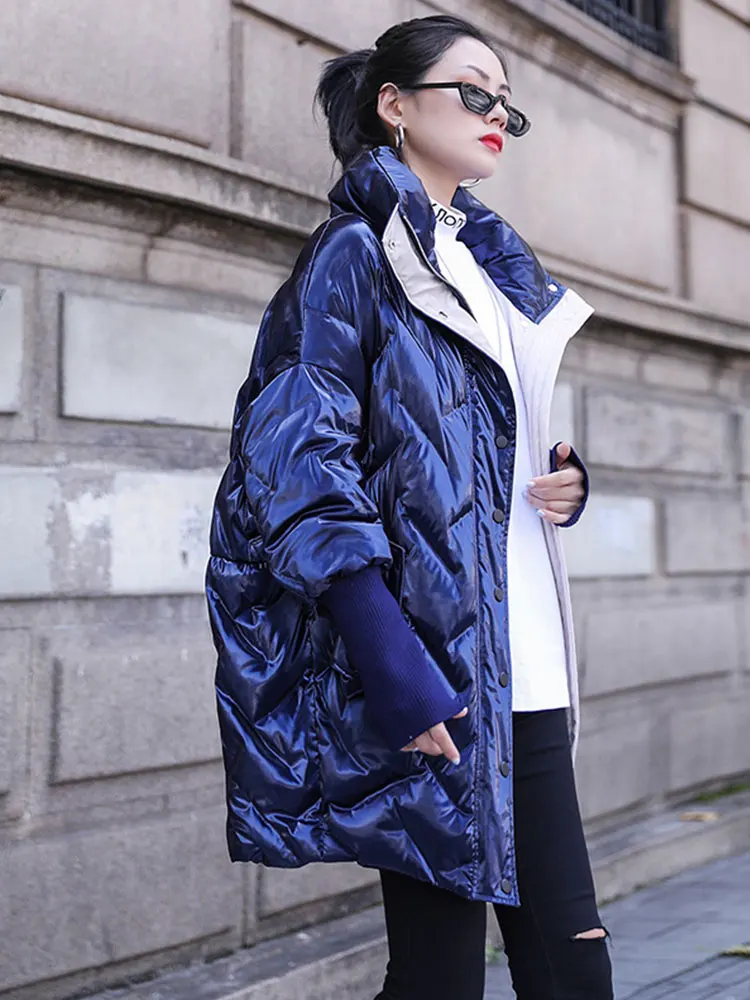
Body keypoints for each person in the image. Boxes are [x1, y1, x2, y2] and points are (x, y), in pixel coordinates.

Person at [206, 13, 614, 1000]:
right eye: (474, 91)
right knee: (441, 975)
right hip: (433, 669)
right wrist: (390, 662)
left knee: (572, 964)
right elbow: (297, 462)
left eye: (506, 102)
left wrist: (564, 476)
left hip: (527, 661)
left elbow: (474, 443)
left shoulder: (494, 267)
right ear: (394, 104)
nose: (496, 113)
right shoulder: (355, 254)